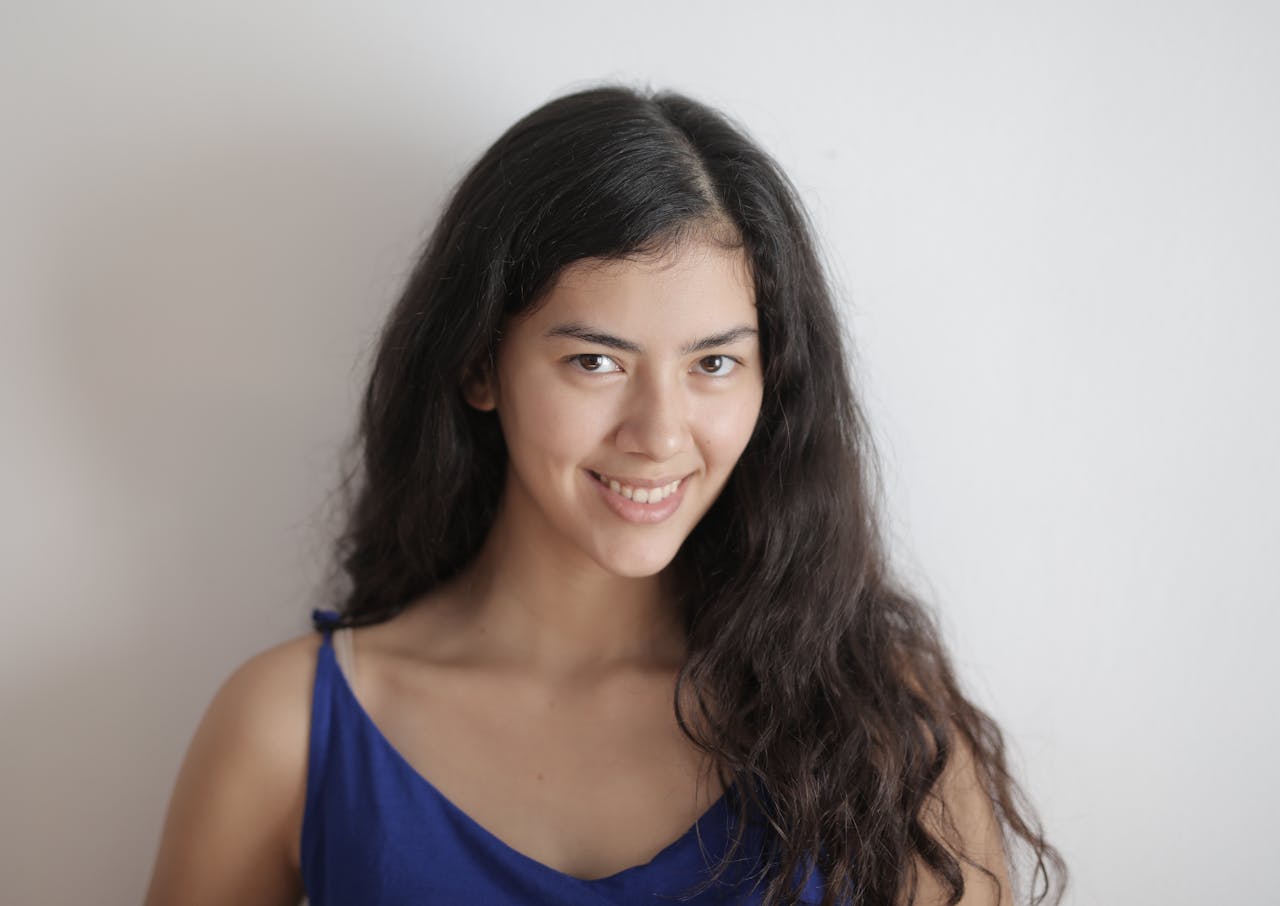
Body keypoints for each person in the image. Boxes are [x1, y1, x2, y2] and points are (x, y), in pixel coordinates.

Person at [143, 84, 1066, 906]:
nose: (660, 433)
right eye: (595, 361)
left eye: (713, 363)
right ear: (478, 364)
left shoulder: (881, 726)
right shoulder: (287, 731)